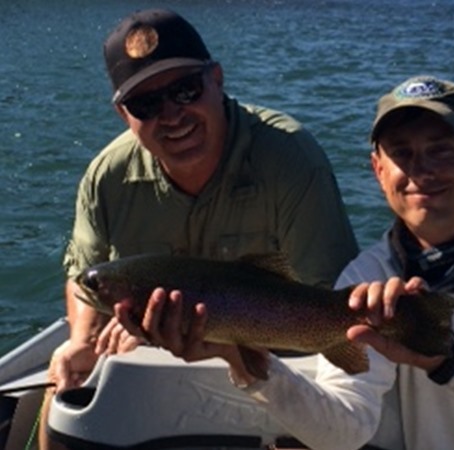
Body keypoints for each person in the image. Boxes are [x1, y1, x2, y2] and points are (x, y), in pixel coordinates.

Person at [124, 75, 454, 450]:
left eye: (441, 150)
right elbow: (347, 430)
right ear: (377, 171)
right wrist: (243, 359)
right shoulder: (365, 282)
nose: (421, 170)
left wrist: (452, 360)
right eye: (402, 154)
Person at [39, 8, 358, 450]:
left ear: (218, 79)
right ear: (122, 114)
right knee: (59, 406)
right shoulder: (106, 177)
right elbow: (83, 273)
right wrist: (81, 341)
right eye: (145, 104)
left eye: (185, 90)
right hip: (153, 365)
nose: (171, 115)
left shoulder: (289, 157)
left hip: (276, 367)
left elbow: (333, 290)